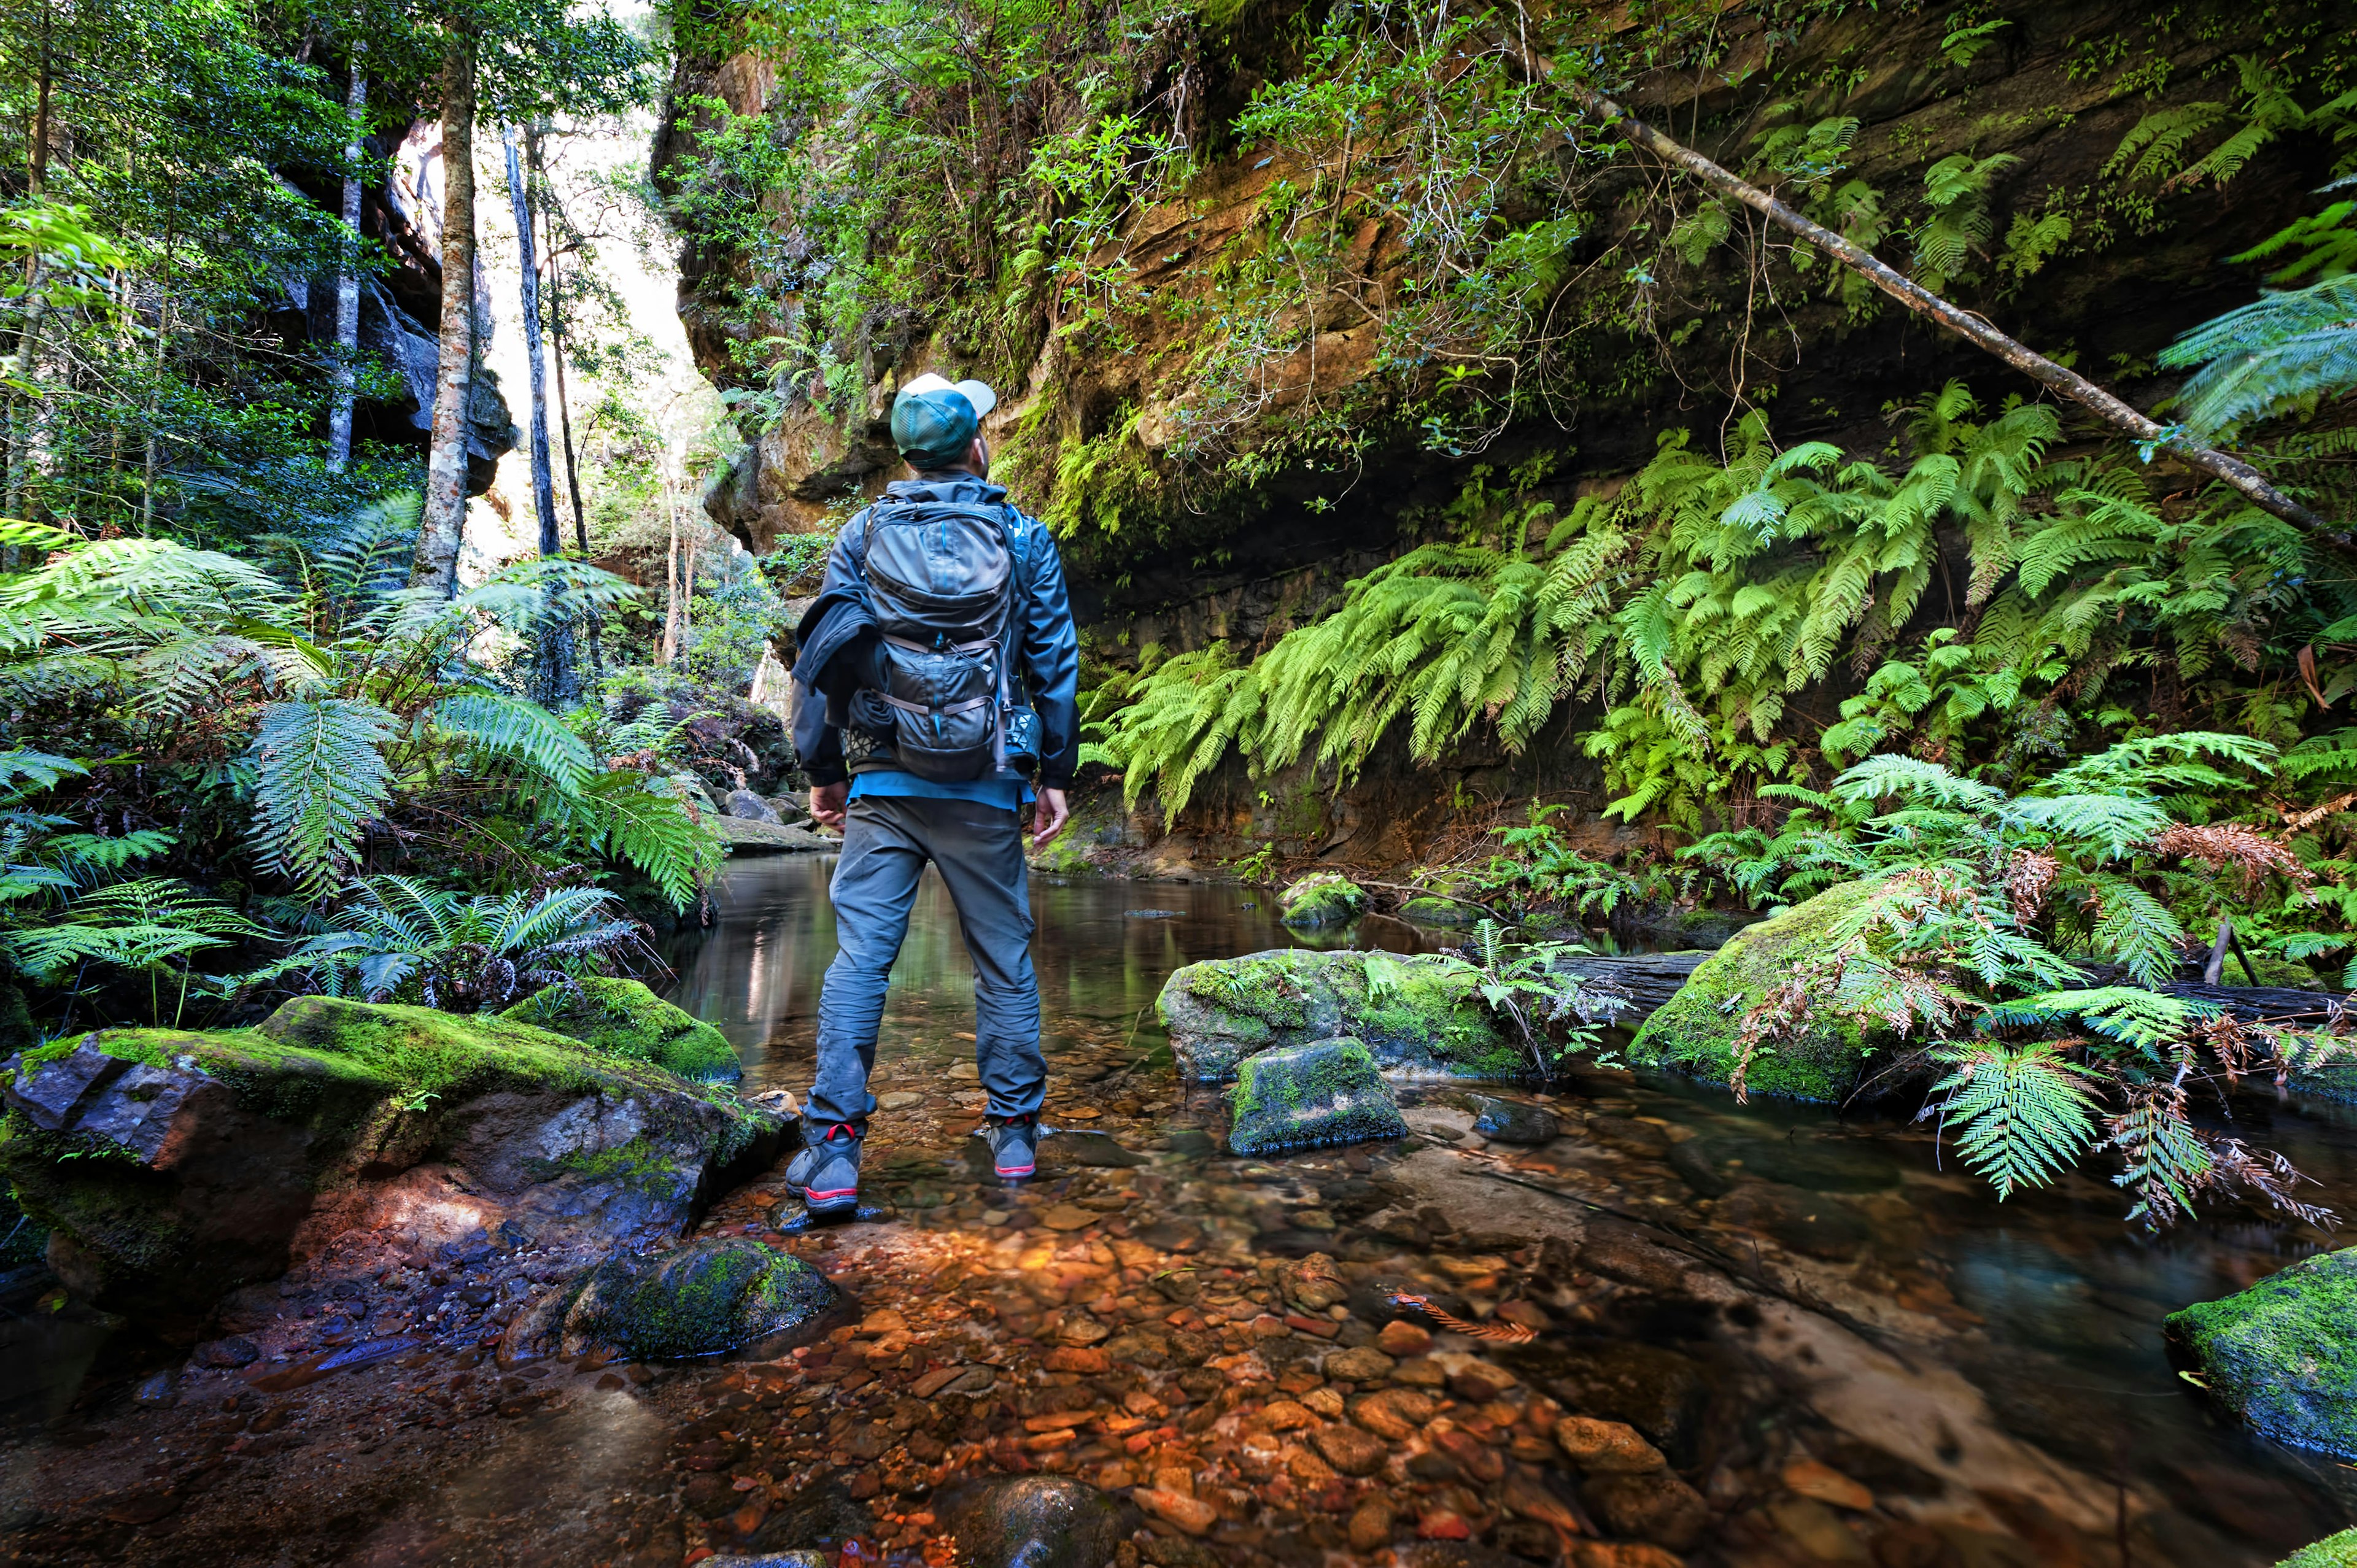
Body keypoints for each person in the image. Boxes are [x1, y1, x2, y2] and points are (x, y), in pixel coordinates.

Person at [782, 372, 1079, 1215]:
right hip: (985, 781)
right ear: (974, 445)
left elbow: (821, 658)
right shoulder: (1023, 536)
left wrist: (824, 774)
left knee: (862, 961)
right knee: (1003, 961)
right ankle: (1015, 1137)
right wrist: (1054, 773)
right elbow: (1053, 663)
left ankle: (835, 1148)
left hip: (883, 775)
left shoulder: (863, 533)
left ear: (908, 454)